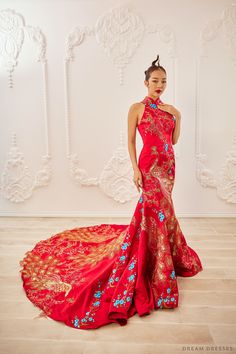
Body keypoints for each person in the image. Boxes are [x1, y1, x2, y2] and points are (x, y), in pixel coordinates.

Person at [19, 54, 203, 330]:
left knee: (163, 213)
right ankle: (153, 263)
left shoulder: (170, 110)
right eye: (155, 81)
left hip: (168, 168)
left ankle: (160, 257)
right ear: (145, 82)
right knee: (153, 211)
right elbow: (130, 140)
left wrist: (179, 116)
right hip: (149, 167)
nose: (160, 85)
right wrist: (135, 169)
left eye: (164, 81)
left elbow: (172, 141)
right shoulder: (136, 108)